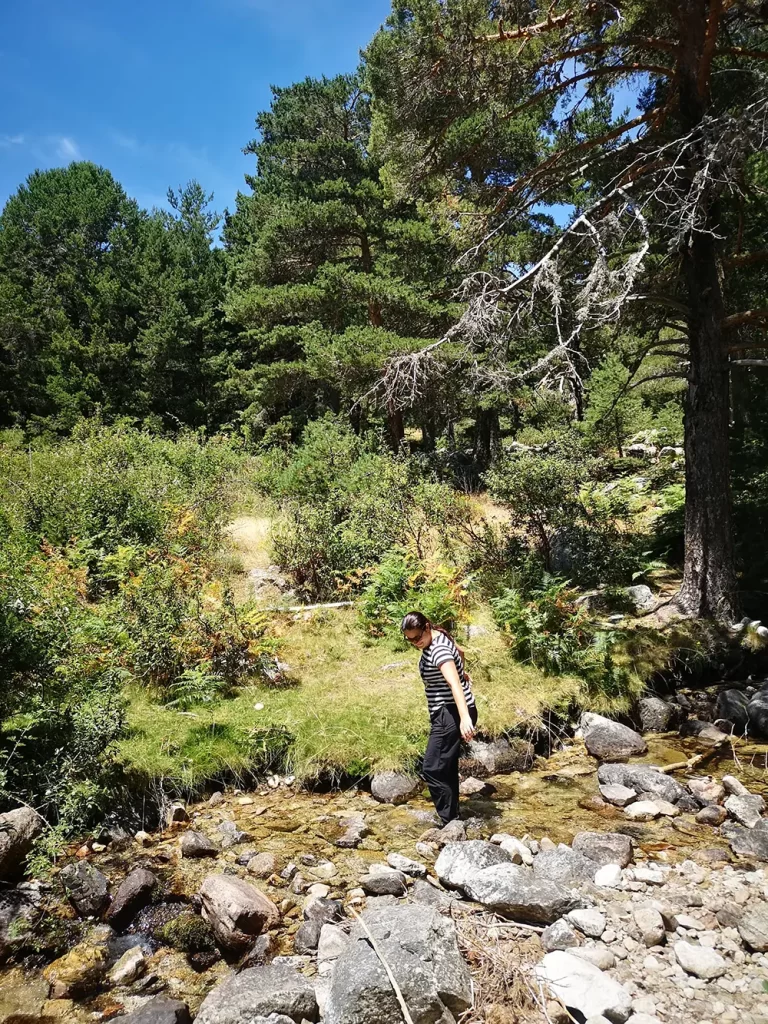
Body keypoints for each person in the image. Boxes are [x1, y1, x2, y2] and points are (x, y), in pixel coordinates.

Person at [401, 611, 478, 826]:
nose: (415, 643)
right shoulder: (440, 636)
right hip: (450, 711)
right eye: (410, 640)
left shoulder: (439, 649)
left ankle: (449, 820)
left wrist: (464, 718)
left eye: (417, 637)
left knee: (432, 768)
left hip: (450, 712)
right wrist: (462, 672)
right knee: (446, 766)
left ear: (427, 627)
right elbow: (460, 652)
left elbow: (454, 685)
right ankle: (454, 817)